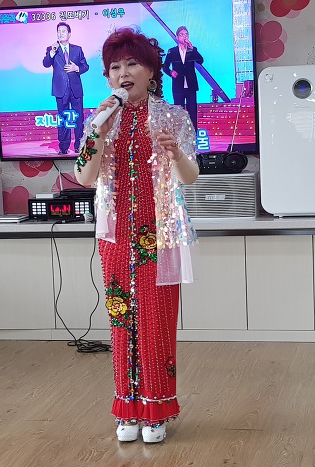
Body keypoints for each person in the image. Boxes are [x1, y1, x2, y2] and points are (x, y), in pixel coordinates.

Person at [73, 28, 199, 444]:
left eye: (132, 63)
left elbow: (191, 177)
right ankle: (127, 408)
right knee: (120, 319)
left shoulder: (173, 117)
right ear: (108, 77)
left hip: (158, 233)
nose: (122, 73)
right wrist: (97, 133)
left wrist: (175, 155)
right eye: (114, 67)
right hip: (115, 236)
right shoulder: (100, 119)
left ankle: (156, 410)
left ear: (150, 71)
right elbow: (84, 177)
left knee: (156, 320)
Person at [42, 22, 89, 154]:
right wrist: (52, 52)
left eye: (63, 31)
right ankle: (63, 147)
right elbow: (46, 63)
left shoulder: (77, 49)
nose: (60, 33)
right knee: (63, 119)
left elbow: (85, 66)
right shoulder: (52, 49)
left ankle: (79, 145)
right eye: (58, 31)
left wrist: (77, 68)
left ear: (69, 34)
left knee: (78, 118)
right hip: (60, 90)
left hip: (76, 89)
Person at [162, 26, 204, 130]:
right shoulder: (172, 51)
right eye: (182, 34)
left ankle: (193, 133)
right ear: (177, 37)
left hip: (191, 85)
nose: (184, 36)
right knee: (178, 111)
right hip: (178, 85)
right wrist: (171, 72)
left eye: (186, 34)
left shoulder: (192, 50)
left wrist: (192, 49)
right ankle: (179, 133)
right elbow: (165, 67)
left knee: (192, 111)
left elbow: (200, 61)